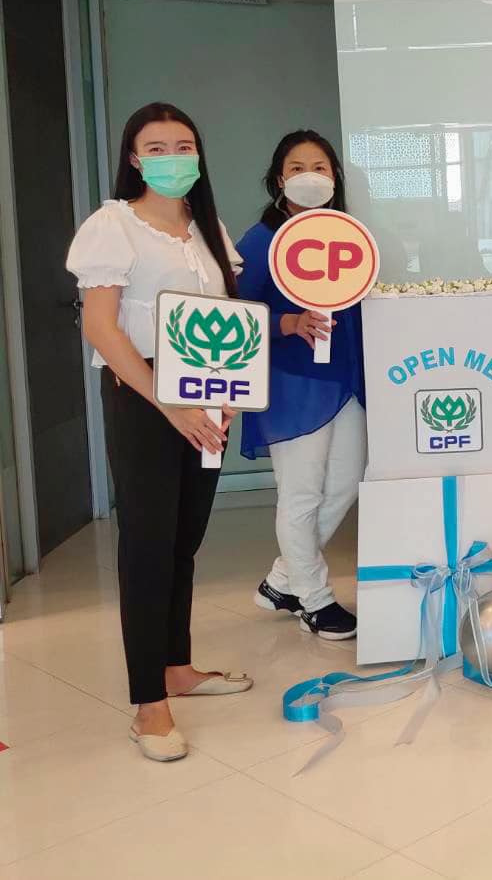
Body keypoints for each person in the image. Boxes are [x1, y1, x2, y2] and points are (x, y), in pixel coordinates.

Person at [67, 103, 253, 762]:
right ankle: (149, 704)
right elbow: (101, 326)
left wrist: (228, 396)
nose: (172, 157)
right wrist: (167, 401)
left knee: (183, 541)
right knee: (147, 548)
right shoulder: (113, 225)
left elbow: (226, 317)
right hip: (144, 397)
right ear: (134, 158)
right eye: (156, 147)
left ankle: (177, 667)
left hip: (206, 400)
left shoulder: (206, 228)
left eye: (183, 145)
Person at [235, 130, 366, 641]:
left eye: (320, 167)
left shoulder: (349, 235)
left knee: (346, 482)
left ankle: (282, 580)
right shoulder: (260, 241)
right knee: (302, 493)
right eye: (296, 168)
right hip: (291, 381)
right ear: (278, 180)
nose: (309, 176)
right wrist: (288, 323)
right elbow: (237, 313)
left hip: (343, 379)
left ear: (335, 177)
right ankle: (314, 600)